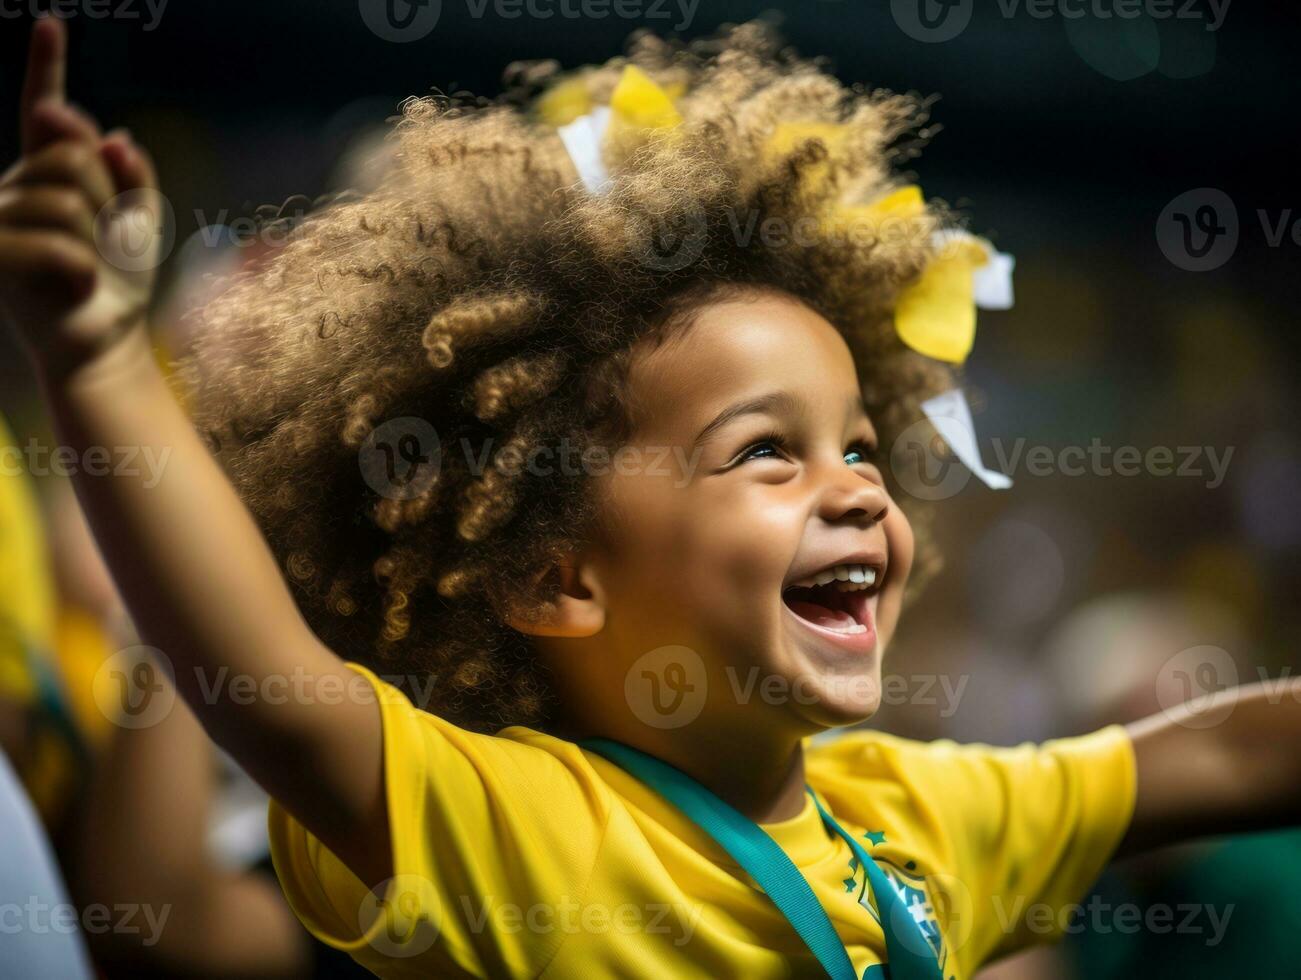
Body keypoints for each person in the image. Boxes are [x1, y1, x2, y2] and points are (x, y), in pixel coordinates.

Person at [2, 13, 1298, 979]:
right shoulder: (517, 832)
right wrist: (104, 358)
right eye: (764, 454)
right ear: (552, 573)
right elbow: (261, 678)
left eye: (858, 447)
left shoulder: (921, 819)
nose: (853, 490)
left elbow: (1223, 750)